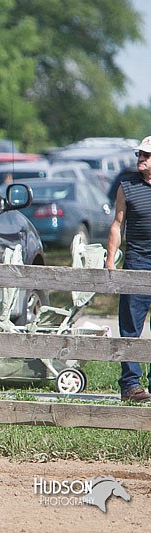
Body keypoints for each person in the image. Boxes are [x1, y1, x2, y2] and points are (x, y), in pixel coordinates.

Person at [106, 135, 151, 402]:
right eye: (139, 155)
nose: (141, 159)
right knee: (131, 326)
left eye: (146, 155)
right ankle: (131, 384)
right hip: (137, 262)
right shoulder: (127, 186)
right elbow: (116, 225)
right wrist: (110, 261)